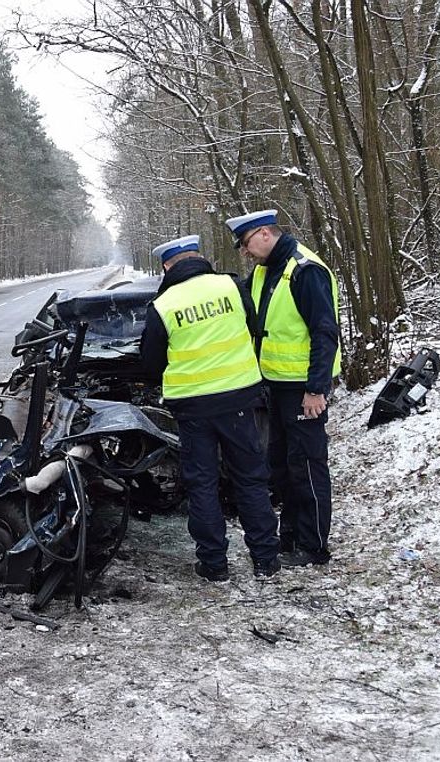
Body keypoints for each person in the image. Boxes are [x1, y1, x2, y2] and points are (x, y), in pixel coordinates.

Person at [139, 234, 280, 581]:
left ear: (167, 266)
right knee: (250, 480)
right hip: (240, 402)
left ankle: (214, 566)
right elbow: (253, 328)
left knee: (202, 484)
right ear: (198, 256)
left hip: (192, 409)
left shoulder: (163, 305)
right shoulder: (231, 286)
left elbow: (151, 363)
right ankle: (266, 559)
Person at [225, 210, 340, 568]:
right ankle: (289, 537)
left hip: (303, 388)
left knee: (307, 466)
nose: (245, 252)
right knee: (283, 466)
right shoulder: (265, 270)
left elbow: (325, 332)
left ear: (263, 234)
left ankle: (314, 547)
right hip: (274, 386)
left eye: (245, 244)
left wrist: (316, 389)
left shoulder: (305, 270)